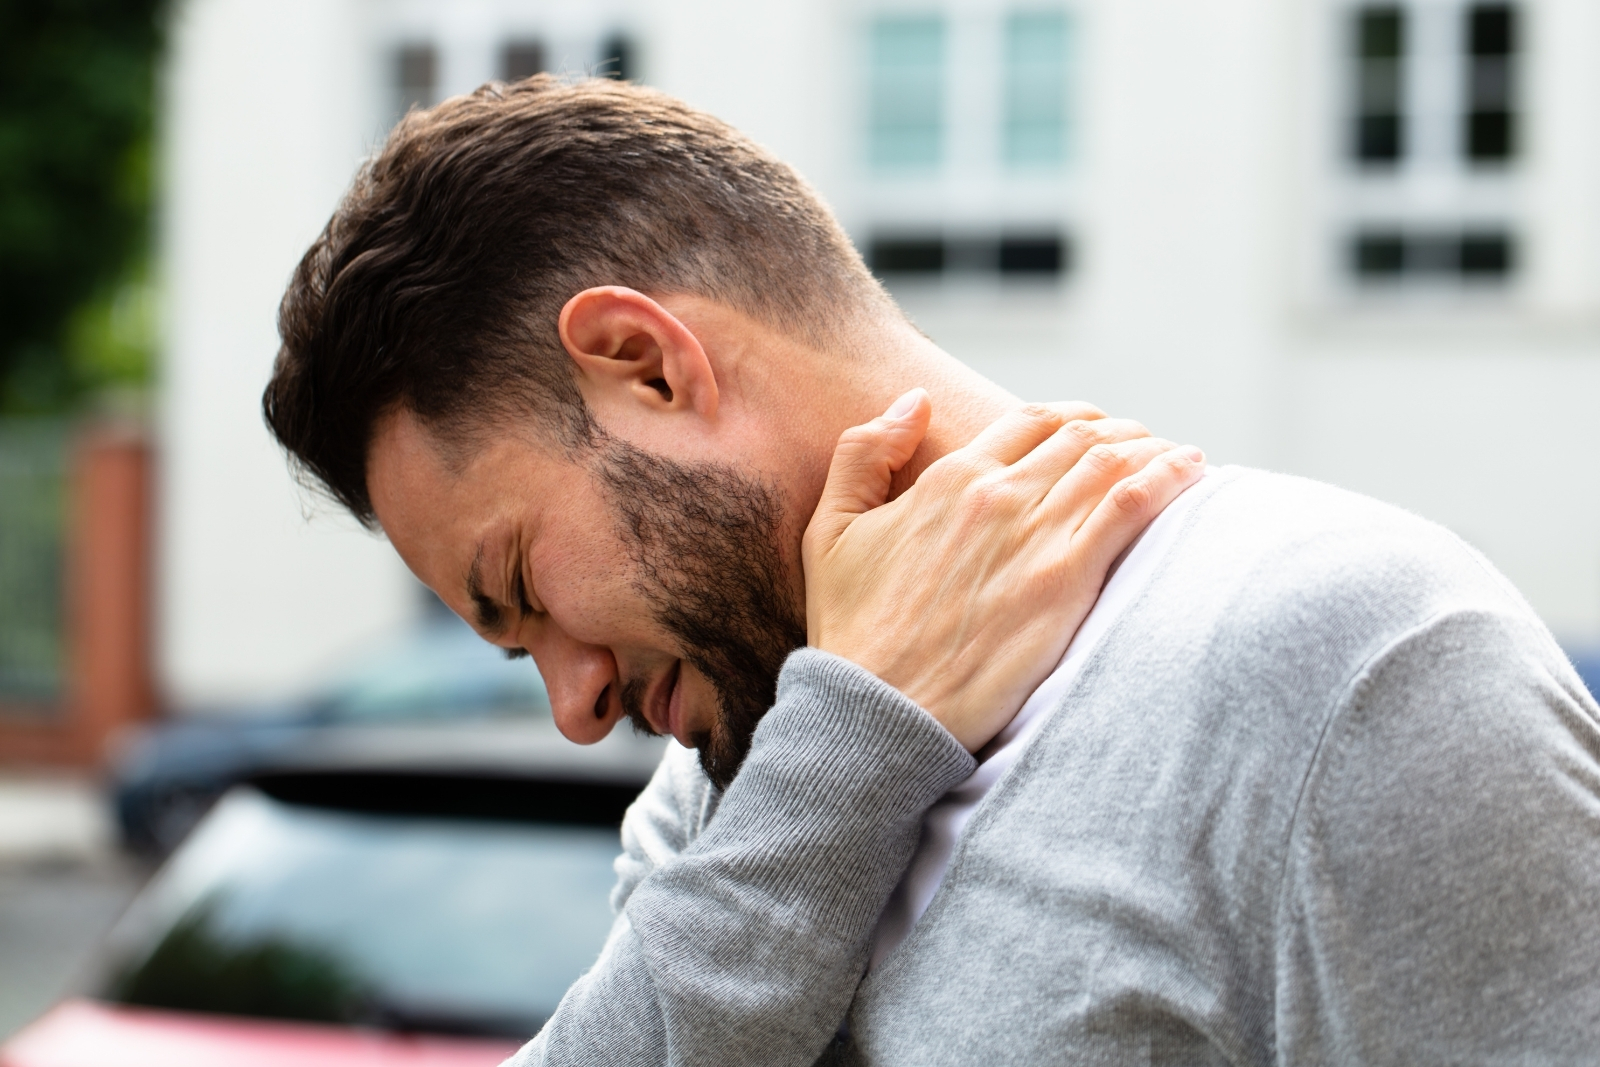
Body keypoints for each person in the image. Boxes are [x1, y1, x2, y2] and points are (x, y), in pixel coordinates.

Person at [262, 76, 1600, 1066]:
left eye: (522, 587)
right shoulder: (745, 779)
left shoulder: (1344, 661)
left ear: (648, 366)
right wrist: (847, 751)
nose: (573, 707)